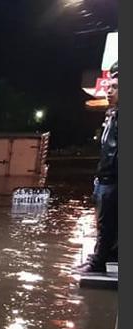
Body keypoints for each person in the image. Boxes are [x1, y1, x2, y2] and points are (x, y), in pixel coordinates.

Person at [77, 62, 118, 273]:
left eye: (115, 87)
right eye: (109, 86)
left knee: (107, 224)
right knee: (106, 224)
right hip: (105, 179)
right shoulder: (113, 115)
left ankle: (98, 263)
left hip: (113, 181)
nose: (108, 91)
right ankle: (105, 256)